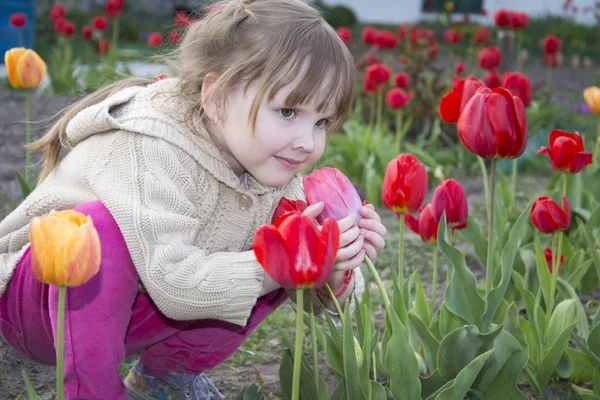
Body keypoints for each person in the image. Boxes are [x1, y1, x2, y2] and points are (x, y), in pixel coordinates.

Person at [0, 0, 387, 399]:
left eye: (321, 122)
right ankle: (93, 393)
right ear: (216, 98)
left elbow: (312, 295)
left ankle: (166, 377)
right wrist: (281, 263)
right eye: (288, 111)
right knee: (102, 231)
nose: (307, 142)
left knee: (289, 234)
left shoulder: (272, 164)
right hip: (42, 304)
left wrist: (333, 265)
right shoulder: (148, 150)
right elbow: (173, 283)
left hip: (138, 309)